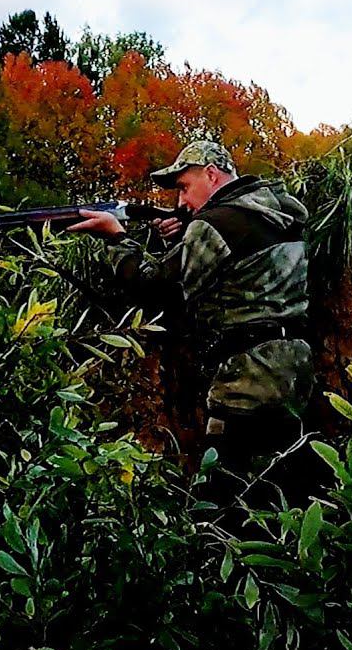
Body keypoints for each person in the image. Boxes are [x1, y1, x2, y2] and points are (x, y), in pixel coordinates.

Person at [69, 141, 314, 479]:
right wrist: (181, 240)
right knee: (280, 477)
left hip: (247, 380)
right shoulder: (279, 213)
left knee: (226, 487)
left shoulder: (213, 224)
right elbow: (241, 270)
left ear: (211, 175)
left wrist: (116, 239)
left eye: (184, 187)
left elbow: (154, 290)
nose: (181, 202)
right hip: (295, 369)